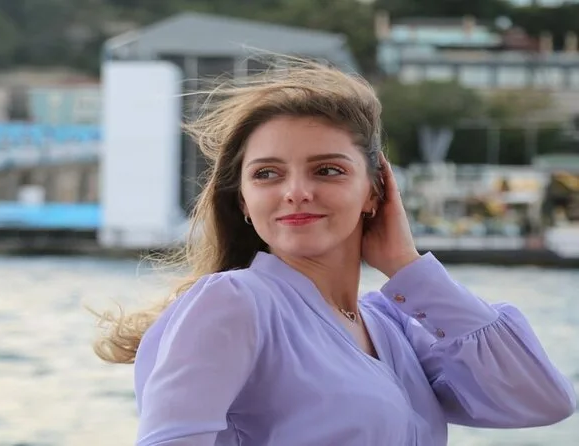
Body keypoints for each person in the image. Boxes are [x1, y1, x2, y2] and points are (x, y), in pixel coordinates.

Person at [93, 57, 576, 446]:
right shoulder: (235, 302)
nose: (296, 192)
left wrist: (408, 269)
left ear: (375, 191)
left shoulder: (393, 325)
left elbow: (541, 401)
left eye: (327, 170)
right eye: (267, 174)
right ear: (242, 201)